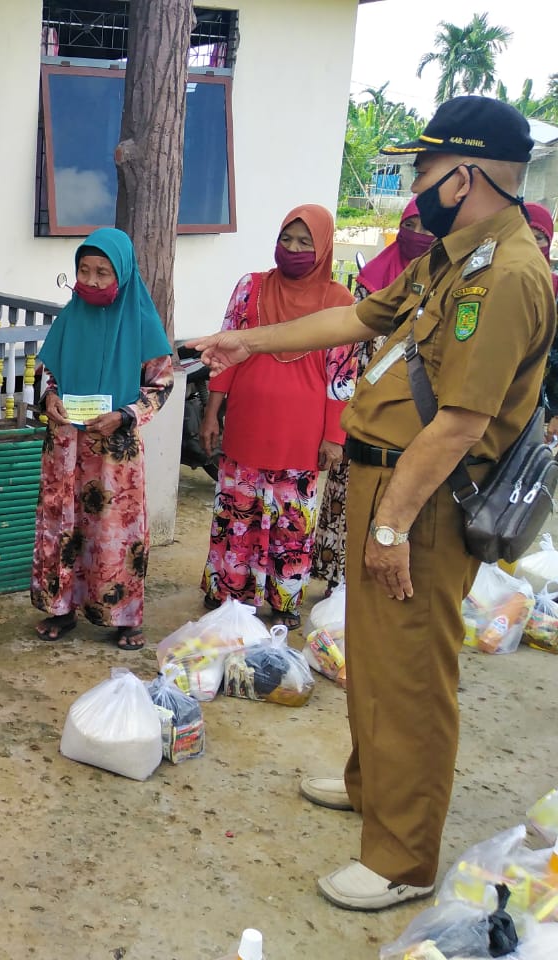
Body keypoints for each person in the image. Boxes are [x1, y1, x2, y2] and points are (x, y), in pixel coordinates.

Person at [190, 96, 555, 911]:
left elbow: (461, 421)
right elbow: (357, 316)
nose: (411, 184)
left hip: (420, 500)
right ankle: (371, 787)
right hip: (383, 482)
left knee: (413, 677)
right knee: (375, 655)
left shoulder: (505, 276)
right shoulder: (454, 256)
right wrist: (244, 339)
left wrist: (391, 522)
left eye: (423, 168)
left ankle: (402, 860)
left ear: (465, 176)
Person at [198, 204, 357, 629]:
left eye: (305, 242)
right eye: (287, 239)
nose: (293, 249)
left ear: (323, 247)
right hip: (248, 423)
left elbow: (342, 377)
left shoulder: (338, 301)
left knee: (291, 520)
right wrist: (212, 412)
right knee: (238, 512)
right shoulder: (250, 288)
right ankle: (228, 593)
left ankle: (283, 600)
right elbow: (224, 355)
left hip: (302, 433)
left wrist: (333, 437)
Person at [30, 228, 174, 650]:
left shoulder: (143, 321)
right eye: (84, 271)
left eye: (103, 273)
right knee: (62, 526)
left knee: (115, 531)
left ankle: (124, 617)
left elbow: (161, 383)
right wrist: (50, 396)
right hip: (65, 447)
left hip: (115, 451)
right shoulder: (70, 316)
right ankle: (60, 608)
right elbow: (47, 372)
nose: (90, 281)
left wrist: (125, 415)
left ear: (123, 274)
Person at [311, 200, 434, 592]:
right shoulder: (371, 282)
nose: (420, 234)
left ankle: (390, 582)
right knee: (352, 496)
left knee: (402, 502)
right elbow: (348, 355)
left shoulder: (445, 286)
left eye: (427, 226)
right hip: (365, 414)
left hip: (420, 420)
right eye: (411, 224)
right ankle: (339, 583)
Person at [525, 203, 558, 438]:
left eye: (538, 237)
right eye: (523, 234)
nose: (529, 244)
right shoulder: (492, 283)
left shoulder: (555, 289)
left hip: (541, 406)